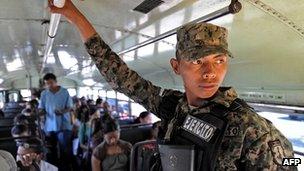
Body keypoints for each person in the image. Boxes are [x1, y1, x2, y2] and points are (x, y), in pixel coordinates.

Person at [48, 1, 296, 170]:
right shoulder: (173, 107)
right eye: (197, 61)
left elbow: (290, 163)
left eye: (219, 60)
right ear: (176, 67)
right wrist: (75, 17)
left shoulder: (255, 132)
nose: (210, 72)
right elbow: (119, 76)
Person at [38, 73, 73, 170]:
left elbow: (70, 107)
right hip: (49, 126)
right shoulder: (44, 94)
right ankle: (54, 167)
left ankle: (65, 167)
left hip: (64, 125)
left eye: (51, 83)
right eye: (47, 83)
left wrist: (62, 111)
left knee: (64, 149)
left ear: (56, 81)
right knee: (51, 149)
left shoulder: (65, 92)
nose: (49, 85)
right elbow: (41, 107)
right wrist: (41, 112)